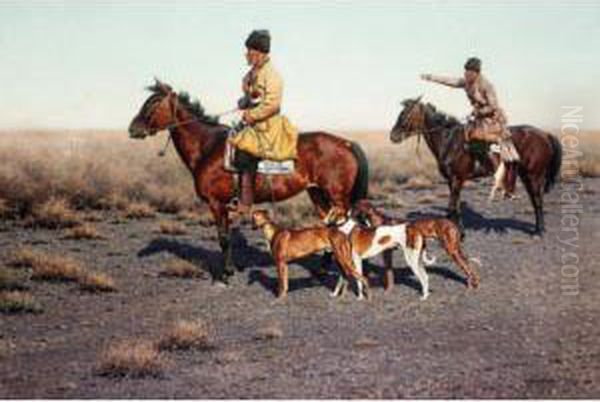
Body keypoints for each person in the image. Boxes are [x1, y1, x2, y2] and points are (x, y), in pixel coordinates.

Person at [421, 57, 518, 197]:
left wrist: (477, 112)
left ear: (477, 73)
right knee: (462, 136)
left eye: (470, 72)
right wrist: (430, 77)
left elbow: (493, 106)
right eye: (465, 71)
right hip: (478, 119)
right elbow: (451, 81)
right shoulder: (466, 82)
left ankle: (498, 172)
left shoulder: (486, 86)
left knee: (479, 139)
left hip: (491, 119)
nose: (466, 74)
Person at [227, 29, 298, 214]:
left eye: (250, 51)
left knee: (244, 151)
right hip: (254, 124)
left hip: (268, 126)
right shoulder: (253, 73)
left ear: (260, 53)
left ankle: (245, 202)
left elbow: (272, 105)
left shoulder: (272, 75)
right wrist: (244, 102)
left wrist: (251, 115)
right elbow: (252, 97)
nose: (247, 55)